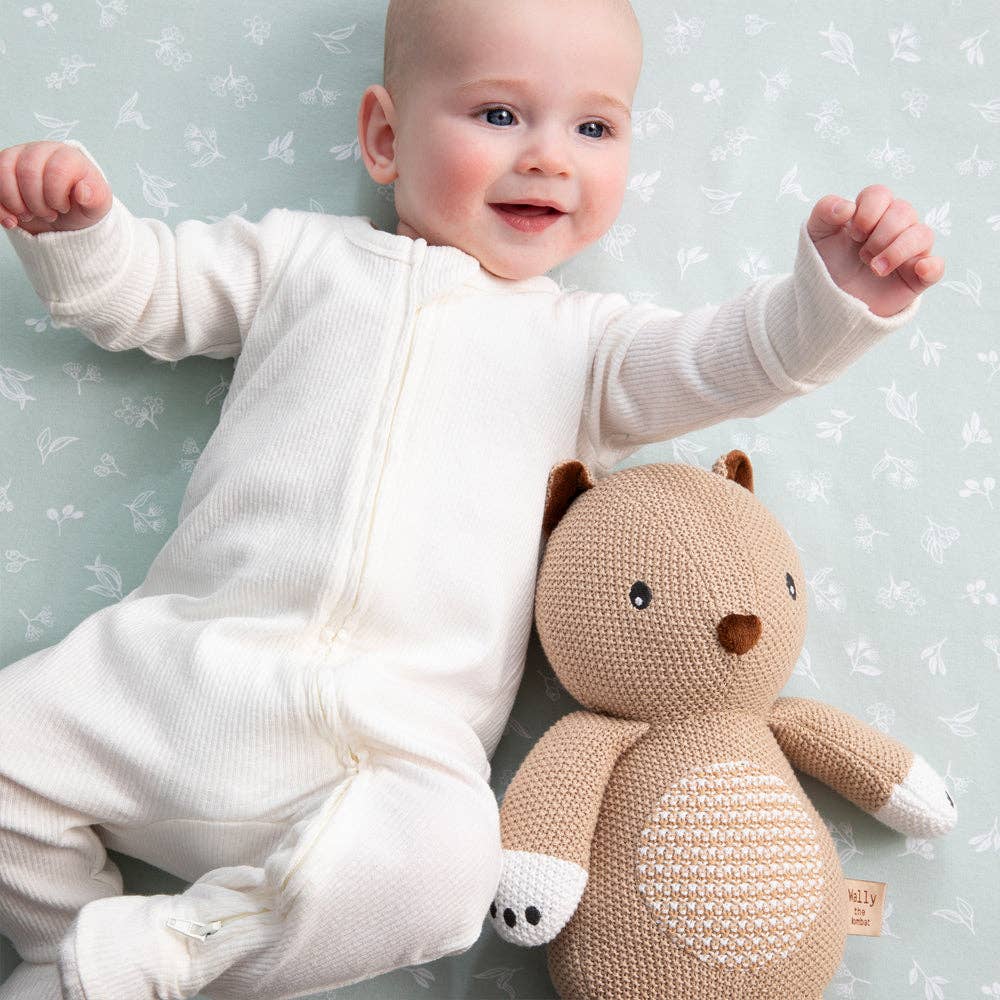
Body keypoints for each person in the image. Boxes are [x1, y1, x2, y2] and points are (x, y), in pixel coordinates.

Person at [0, 0, 943, 997]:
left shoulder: (589, 345)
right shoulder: (297, 260)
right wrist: (82, 230)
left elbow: (727, 360)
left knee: (449, 870)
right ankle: (67, 948)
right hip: (177, 674)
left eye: (594, 126)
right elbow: (148, 293)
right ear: (384, 136)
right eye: (499, 114)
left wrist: (833, 299)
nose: (549, 157)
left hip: (389, 748)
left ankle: (161, 956)